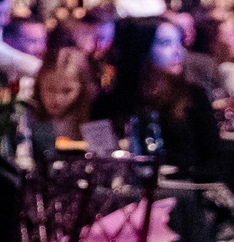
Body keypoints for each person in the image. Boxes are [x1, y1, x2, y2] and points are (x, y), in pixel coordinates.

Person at [93, 18, 223, 178]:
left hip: (185, 193)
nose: (178, 52)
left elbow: (214, 160)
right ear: (140, 48)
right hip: (129, 196)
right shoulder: (106, 105)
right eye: (166, 43)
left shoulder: (193, 96)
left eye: (179, 42)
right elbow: (99, 164)